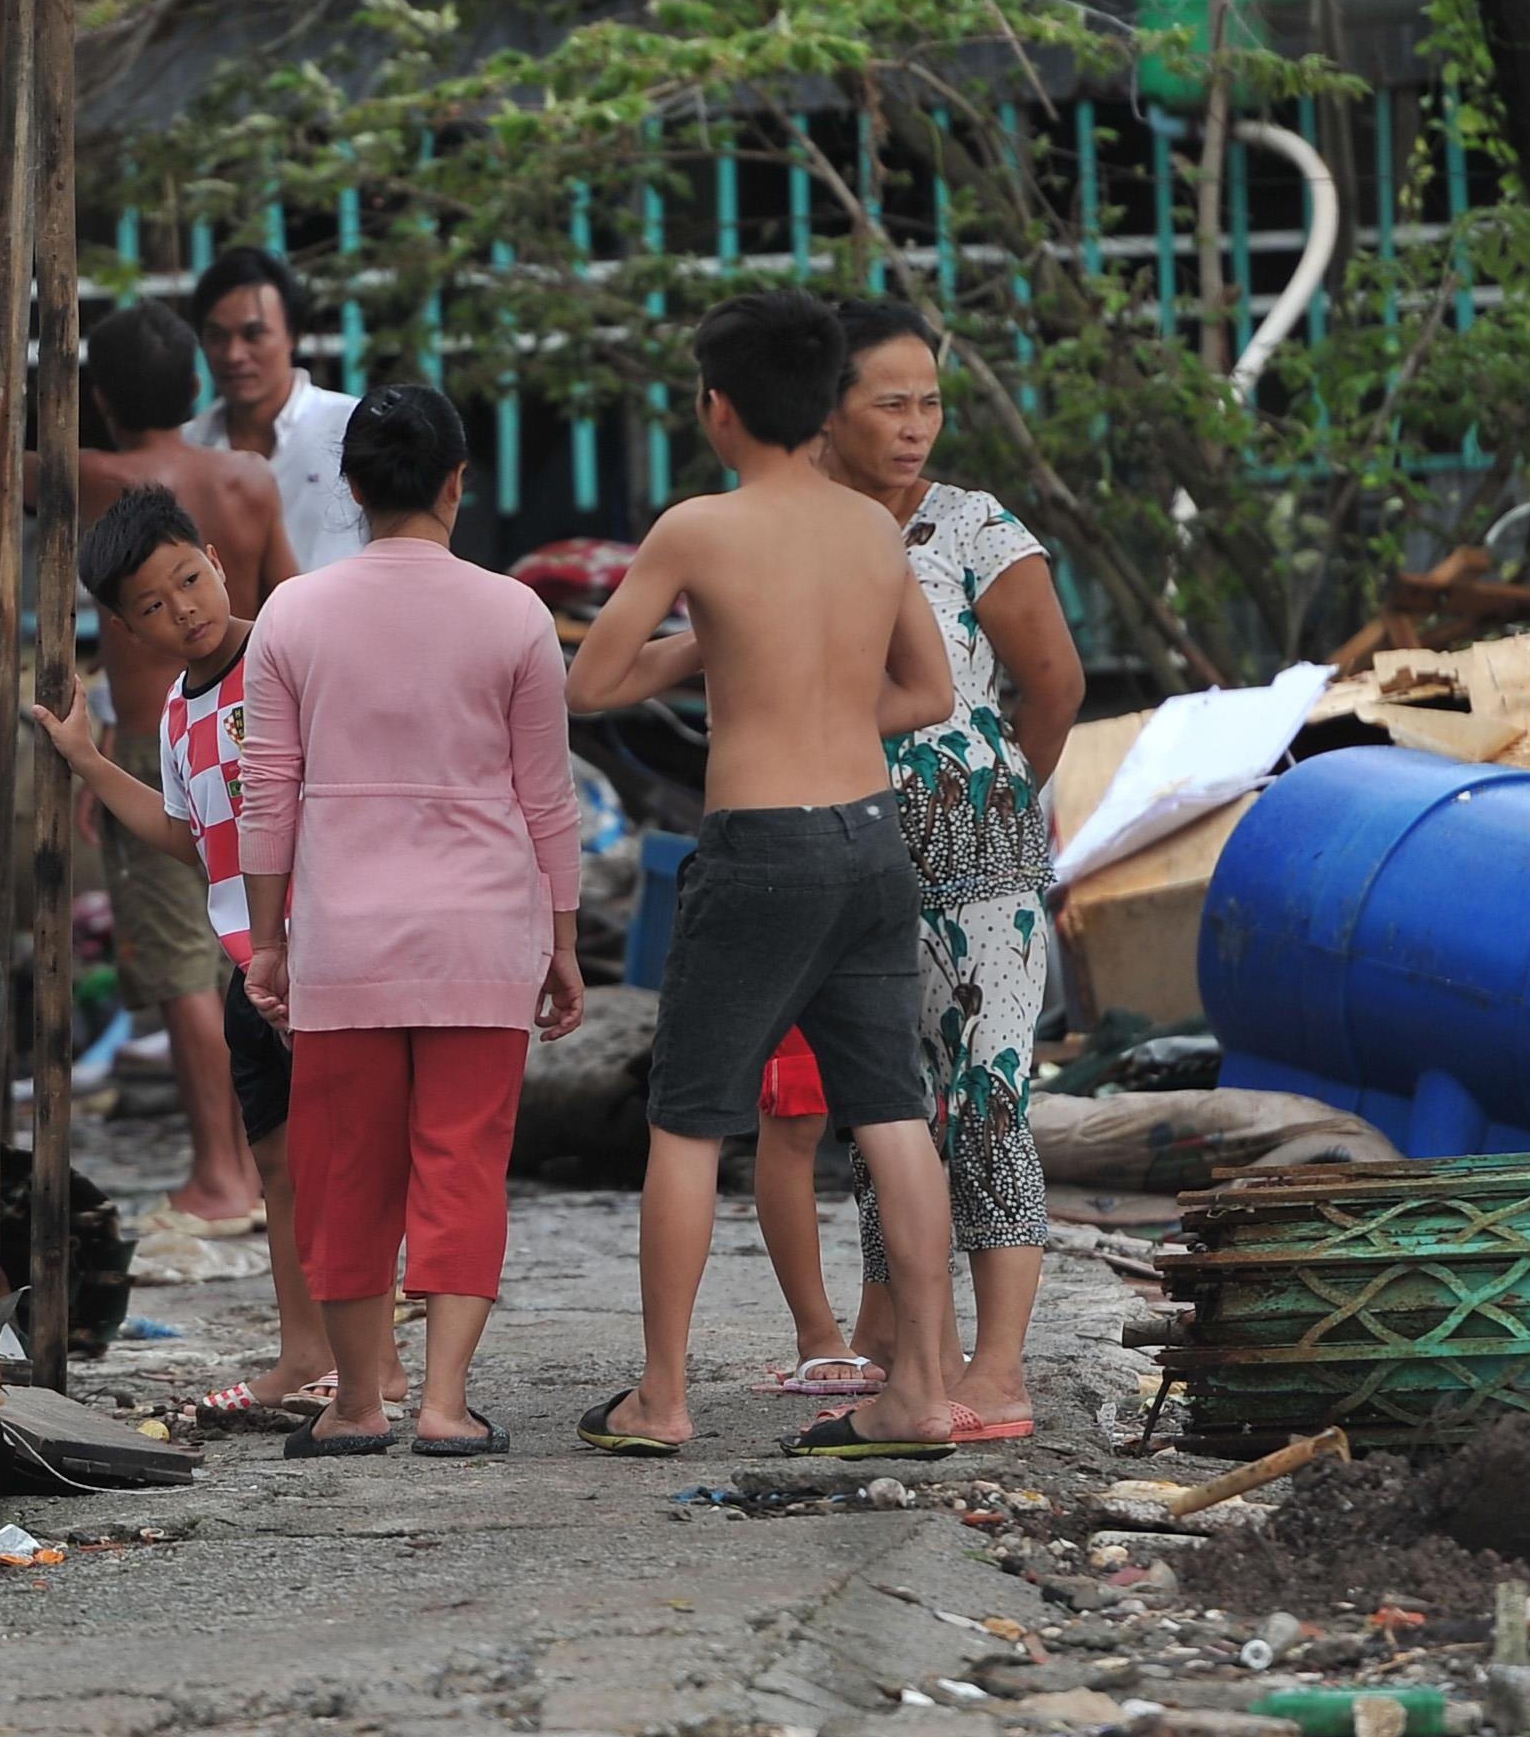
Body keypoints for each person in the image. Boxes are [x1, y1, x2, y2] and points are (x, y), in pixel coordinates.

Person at [562, 290, 966, 1461]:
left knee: (689, 1121)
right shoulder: (874, 529)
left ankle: (662, 1395)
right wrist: (806, 685)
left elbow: (592, 683)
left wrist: (708, 643)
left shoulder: (698, 529)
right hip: (870, 837)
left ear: (719, 408)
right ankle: (919, 1394)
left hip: (761, 851)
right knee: (891, 1110)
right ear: (825, 406)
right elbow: (928, 696)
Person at [745, 301, 1084, 1434]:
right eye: (888, 402)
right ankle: (918, 1362)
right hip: (851, 851)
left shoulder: (975, 528)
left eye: (929, 402)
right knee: (890, 1113)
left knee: (988, 1100)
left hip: (979, 861)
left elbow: (1055, 684)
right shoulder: (794, 526)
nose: (915, 425)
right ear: (826, 409)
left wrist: (982, 799)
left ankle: (1002, 1369)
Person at [237, 385, 587, 1460]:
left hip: (345, 941)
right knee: (462, 1163)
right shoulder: (516, 613)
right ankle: (443, 1401)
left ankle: (354, 1403)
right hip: (484, 938)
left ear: (347, 487)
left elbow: (267, 791)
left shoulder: (293, 614)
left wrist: (270, 943)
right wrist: (563, 944)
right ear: (457, 482)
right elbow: (546, 795)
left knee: (346, 1172)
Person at [28, 485, 392, 1420]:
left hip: (324, 951)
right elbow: (187, 831)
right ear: (126, 627)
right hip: (249, 962)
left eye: (190, 579)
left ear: (218, 561)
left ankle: (377, 1362)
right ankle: (306, 1347)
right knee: (278, 1168)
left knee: (347, 1160)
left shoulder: (289, 652)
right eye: (153, 604)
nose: (183, 609)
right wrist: (86, 762)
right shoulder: (178, 714)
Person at [0, 293, 299, 1236]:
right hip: (259, 738)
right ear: (195, 380)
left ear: (101, 401)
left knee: (188, 969)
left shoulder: (108, 475)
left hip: (174, 752)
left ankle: (222, 1173)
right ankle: (250, 1166)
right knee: (251, 951)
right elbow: (286, 600)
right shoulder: (247, 476)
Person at [184, 247, 366, 574]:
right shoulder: (187, 448)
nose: (234, 354)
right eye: (217, 337)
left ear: (293, 335)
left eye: (253, 334)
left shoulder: (353, 429)